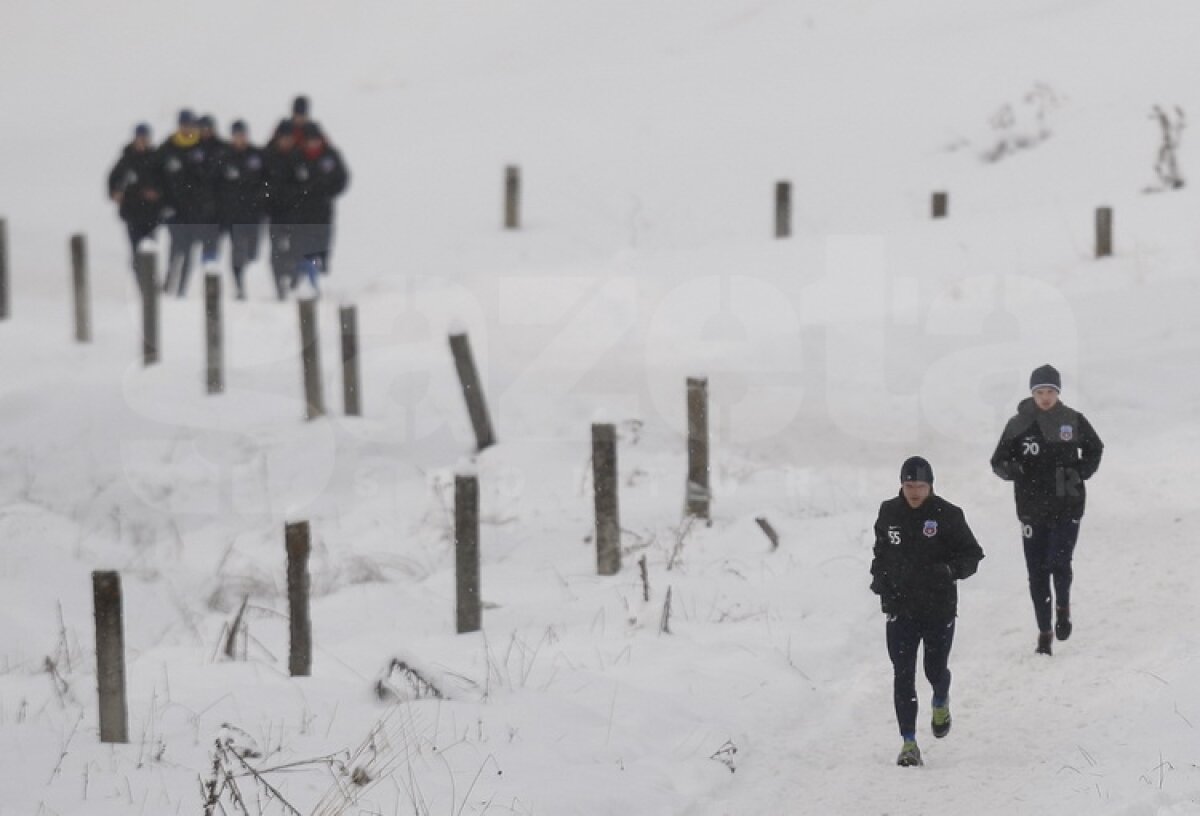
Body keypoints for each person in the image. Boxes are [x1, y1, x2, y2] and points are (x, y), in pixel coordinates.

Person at [870, 456, 984, 767]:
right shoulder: (889, 512)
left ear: (930, 485)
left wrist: (949, 570)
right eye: (909, 486)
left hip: (938, 608)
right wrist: (879, 578)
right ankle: (909, 743)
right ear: (901, 485)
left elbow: (973, 554)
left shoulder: (948, 515)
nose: (915, 492)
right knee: (903, 674)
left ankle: (940, 699)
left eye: (920, 486)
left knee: (934, 670)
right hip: (901, 608)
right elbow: (881, 550)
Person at [991, 364, 1104, 656]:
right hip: (1031, 508)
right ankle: (1044, 632)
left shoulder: (1072, 420)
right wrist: (1011, 470)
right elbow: (998, 461)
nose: (1044, 397)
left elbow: (1095, 447)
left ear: (1058, 393)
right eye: (1039, 392)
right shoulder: (1018, 424)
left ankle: (1063, 608)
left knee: (1059, 562)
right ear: (1032, 394)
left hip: (1067, 504)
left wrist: (1082, 471)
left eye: (1050, 392)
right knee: (1037, 572)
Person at [269, 121, 349, 297]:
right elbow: (285, 183)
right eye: (309, 140)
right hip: (300, 214)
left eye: (315, 140)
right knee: (302, 249)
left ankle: (312, 279)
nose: (313, 144)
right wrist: (301, 191)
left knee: (321, 249)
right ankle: (304, 284)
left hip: (323, 213)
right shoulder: (297, 157)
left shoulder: (330, 156)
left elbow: (342, 179)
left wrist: (326, 190)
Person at [156, 109, 219, 297]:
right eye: (185, 125)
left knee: (189, 250)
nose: (188, 129)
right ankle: (168, 282)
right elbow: (158, 176)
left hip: (195, 211)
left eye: (191, 125)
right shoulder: (168, 148)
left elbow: (211, 178)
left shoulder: (203, 148)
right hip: (174, 210)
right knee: (175, 248)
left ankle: (182, 288)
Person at [215, 120, 266, 299]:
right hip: (233, 215)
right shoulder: (224, 157)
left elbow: (267, 180)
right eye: (237, 135)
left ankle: (252, 284)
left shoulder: (257, 156)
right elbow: (216, 186)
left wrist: (261, 200)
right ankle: (239, 285)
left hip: (254, 214)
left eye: (242, 135)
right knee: (237, 251)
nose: (240, 139)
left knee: (253, 251)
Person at [106, 123, 162, 272]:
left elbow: (165, 183)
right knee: (136, 249)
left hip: (151, 213)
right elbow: (113, 180)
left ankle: (149, 280)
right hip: (132, 213)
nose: (142, 141)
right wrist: (115, 193)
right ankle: (140, 281)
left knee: (150, 249)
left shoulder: (155, 159)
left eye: (145, 138)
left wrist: (157, 193)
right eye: (140, 138)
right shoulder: (126, 160)